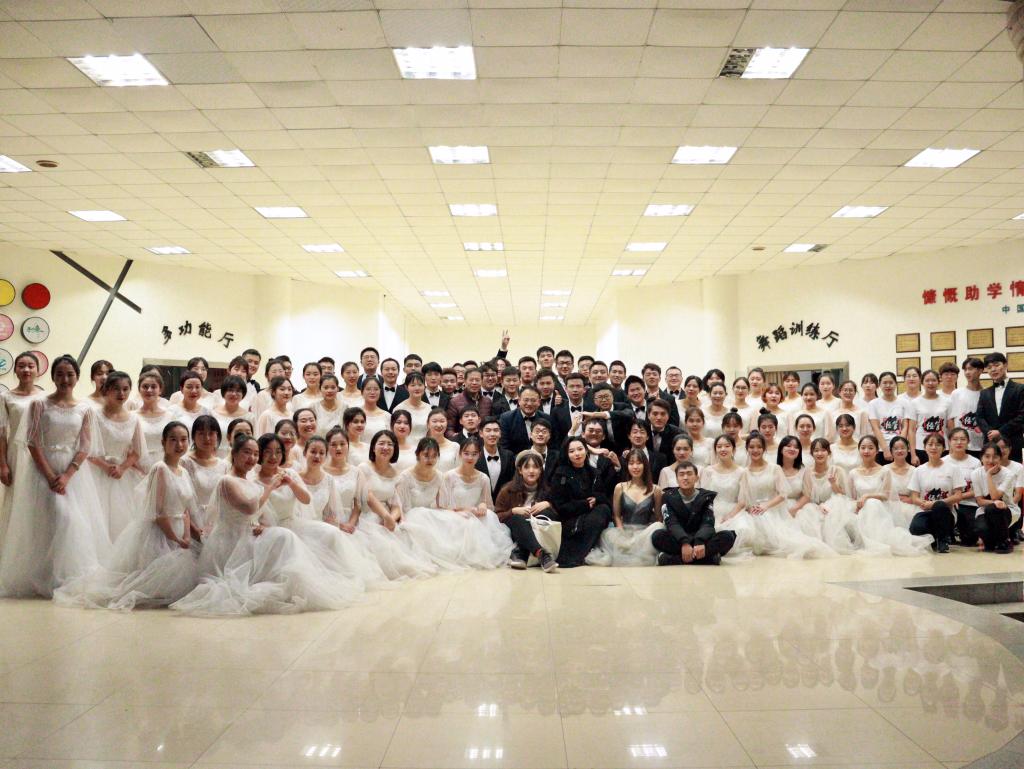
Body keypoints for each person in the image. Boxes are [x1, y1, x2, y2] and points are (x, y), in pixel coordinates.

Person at [170, 434, 361, 615]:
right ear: (235, 454)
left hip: (283, 523)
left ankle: (324, 579)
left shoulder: (284, 474)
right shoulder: (242, 479)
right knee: (285, 537)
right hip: (245, 531)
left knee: (324, 533)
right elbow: (252, 510)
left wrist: (290, 483)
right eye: (266, 452)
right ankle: (289, 584)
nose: (273, 456)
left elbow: (303, 500)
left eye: (277, 452)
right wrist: (267, 500)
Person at [56, 421, 201, 610]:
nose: (179, 444)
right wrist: (175, 538)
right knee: (147, 582)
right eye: (173, 440)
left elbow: (185, 509)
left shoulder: (183, 472)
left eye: (183, 440)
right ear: (163, 442)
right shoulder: (160, 469)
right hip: (161, 532)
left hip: (180, 531)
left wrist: (187, 536)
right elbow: (157, 511)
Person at [0, 355, 110, 598]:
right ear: (52, 377)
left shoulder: (85, 408)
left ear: (77, 377)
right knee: (46, 520)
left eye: (70, 374)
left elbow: (85, 445)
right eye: (60, 374)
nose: (65, 379)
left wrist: (67, 475)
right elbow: (32, 441)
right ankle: (41, 575)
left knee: (70, 521)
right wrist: (50, 476)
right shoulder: (39, 404)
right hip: (42, 469)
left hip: (72, 473)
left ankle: (66, 574)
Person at [355, 430, 437, 580]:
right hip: (367, 514)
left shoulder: (397, 474)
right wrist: (385, 516)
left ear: (395, 449)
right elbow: (368, 496)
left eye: (390, 444)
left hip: (388, 518)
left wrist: (391, 519)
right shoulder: (363, 468)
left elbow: (397, 505)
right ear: (373, 447)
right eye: (381, 443)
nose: (385, 447)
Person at [847, 435, 932, 556]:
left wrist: (867, 496)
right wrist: (857, 506)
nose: (866, 451)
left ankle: (875, 542)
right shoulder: (853, 473)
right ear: (859, 450)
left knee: (872, 503)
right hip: (861, 509)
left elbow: (885, 495)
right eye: (863, 447)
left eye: (870, 448)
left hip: (881, 508)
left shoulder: (884, 471)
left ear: (877, 451)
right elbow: (851, 498)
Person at [88, 371, 145, 542]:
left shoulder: (133, 419)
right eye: (116, 389)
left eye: (125, 389)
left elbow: (137, 451)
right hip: (95, 472)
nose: (121, 393)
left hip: (122, 475)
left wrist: (122, 467)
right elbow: (85, 448)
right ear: (106, 390)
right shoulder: (93, 415)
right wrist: (105, 466)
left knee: (122, 522)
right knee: (96, 518)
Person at [440, 437, 515, 568]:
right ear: (460, 454)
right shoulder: (449, 476)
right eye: (466, 453)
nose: (470, 457)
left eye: (474, 454)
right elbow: (442, 506)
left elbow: (488, 505)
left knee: (488, 517)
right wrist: (462, 510)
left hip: (475, 516)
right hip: (454, 516)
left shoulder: (483, 478)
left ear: (479, 455)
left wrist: (483, 505)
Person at [586, 449, 663, 566]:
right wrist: (621, 532)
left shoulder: (656, 490)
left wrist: (647, 533)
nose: (635, 467)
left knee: (658, 526)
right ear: (627, 466)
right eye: (631, 463)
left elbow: (658, 518)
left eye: (639, 463)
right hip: (624, 532)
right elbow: (616, 516)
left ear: (645, 465)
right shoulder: (620, 487)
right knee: (608, 536)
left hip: (644, 533)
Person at [653, 461, 736, 566]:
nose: (685, 477)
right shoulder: (668, 496)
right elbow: (672, 523)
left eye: (689, 474)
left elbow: (708, 523)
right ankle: (708, 559)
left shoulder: (706, 496)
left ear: (696, 478)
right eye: (681, 474)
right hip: (678, 539)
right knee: (657, 536)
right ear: (677, 479)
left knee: (728, 536)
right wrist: (684, 542)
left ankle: (674, 559)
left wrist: (699, 541)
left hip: (701, 539)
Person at [547, 437, 612, 567]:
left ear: (586, 451)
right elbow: (561, 506)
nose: (577, 454)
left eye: (580, 449)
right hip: (570, 518)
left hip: (591, 516)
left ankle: (579, 554)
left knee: (603, 509)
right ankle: (572, 557)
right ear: (567, 454)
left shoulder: (593, 472)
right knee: (595, 517)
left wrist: (596, 499)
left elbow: (603, 496)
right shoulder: (561, 474)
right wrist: (585, 504)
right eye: (572, 451)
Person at [0, 352, 41, 544]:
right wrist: (3, 465)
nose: (26, 370)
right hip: (16, 454)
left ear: (37, 370)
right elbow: (1, 433)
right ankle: (14, 544)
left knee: (37, 498)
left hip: (40, 454)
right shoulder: (5, 397)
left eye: (31, 366)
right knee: (17, 499)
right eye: (21, 366)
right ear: (15, 370)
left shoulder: (45, 397)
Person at [494, 451, 559, 571]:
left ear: (540, 470)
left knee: (546, 512)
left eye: (535, 467)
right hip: (514, 533)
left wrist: (548, 504)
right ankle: (542, 554)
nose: (531, 471)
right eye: (527, 467)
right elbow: (496, 516)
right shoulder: (507, 490)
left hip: (541, 534)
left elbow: (559, 515)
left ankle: (521, 554)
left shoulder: (548, 491)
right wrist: (513, 511)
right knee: (518, 519)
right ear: (520, 470)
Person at [907, 433, 963, 553]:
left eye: (937, 445)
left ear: (943, 448)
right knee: (915, 528)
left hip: (946, 512)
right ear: (925, 447)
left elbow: (958, 495)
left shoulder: (953, 468)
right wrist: (923, 503)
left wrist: (935, 503)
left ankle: (943, 540)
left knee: (940, 506)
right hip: (925, 510)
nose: (933, 448)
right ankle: (933, 537)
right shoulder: (918, 470)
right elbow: (914, 497)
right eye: (930, 444)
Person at [180, 415, 228, 539]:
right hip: (190, 521)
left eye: (211, 433)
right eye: (201, 434)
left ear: (217, 435)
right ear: (193, 437)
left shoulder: (224, 465)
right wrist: (192, 527)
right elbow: (179, 499)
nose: (207, 438)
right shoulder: (185, 462)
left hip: (216, 523)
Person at [971, 441, 1019, 553]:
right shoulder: (975, 474)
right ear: (981, 458)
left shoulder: (1008, 474)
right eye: (987, 456)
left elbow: (995, 496)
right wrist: (994, 503)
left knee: (993, 508)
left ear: (1000, 458)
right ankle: (993, 541)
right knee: (979, 528)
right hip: (984, 510)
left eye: (995, 457)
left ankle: (1005, 541)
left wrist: (988, 475)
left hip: (1007, 510)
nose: (991, 460)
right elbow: (980, 501)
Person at [978, 352, 1024, 462]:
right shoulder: (984, 392)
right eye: (989, 367)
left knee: (1014, 471)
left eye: (996, 365)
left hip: (1012, 441)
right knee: (990, 470)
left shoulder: (1020, 389)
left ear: (1005, 365)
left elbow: (1022, 415)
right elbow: (979, 416)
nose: (993, 369)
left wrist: (1000, 432)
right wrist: (990, 432)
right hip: (990, 443)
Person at [943, 427, 981, 546]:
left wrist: (959, 497)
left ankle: (961, 530)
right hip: (948, 503)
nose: (959, 442)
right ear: (949, 442)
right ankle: (949, 531)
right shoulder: (943, 461)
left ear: (968, 441)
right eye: (955, 439)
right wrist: (952, 500)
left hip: (968, 503)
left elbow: (977, 490)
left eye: (963, 439)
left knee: (970, 539)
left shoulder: (976, 462)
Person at [909, 369, 950, 465]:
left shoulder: (947, 401)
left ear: (938, 382)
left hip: (942, 447)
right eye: (927, 380)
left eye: (933, 380)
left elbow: (950, 427)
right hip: (921, 447)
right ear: (922, 383)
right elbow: (911, 430)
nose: (930, 383)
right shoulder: (915, 402)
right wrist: (913, 454)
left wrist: (951, 450)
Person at [869, 371, 909, 464]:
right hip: (881, 449)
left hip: (900, 449)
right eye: (885, 383)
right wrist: (885, 449)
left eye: (891, 383)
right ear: (879, 385)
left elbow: (905, 426)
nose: (888, 385)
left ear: (896, 384)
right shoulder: (873, 404)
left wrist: (899, 447)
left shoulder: (904, 402)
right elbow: (875, 428)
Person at [948, 356, 985, 458]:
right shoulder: (957, 393)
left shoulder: (986, 394)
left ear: (980, 370)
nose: (967, 372)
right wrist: (952, 444)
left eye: (971, 369)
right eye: (965, 370)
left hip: (981, 445)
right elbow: (951, 420)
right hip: (961, 445)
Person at [210, 375, 252, 457]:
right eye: (230, 390)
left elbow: (253, 441)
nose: (234, 394)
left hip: (241, 458)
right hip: (217, 457)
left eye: (238, 391)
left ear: (243, 394)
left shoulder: (249, 417)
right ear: (223, 392)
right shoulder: (212, 414)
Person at [476, 417, 515, 498]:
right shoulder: (475, 456)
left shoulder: (509, 456)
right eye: (488, 430)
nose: (492, 434)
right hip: (480, 502)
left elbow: (512, 482)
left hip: (503, 501)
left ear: (500, 433)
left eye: (496, 430)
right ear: (481, 433)